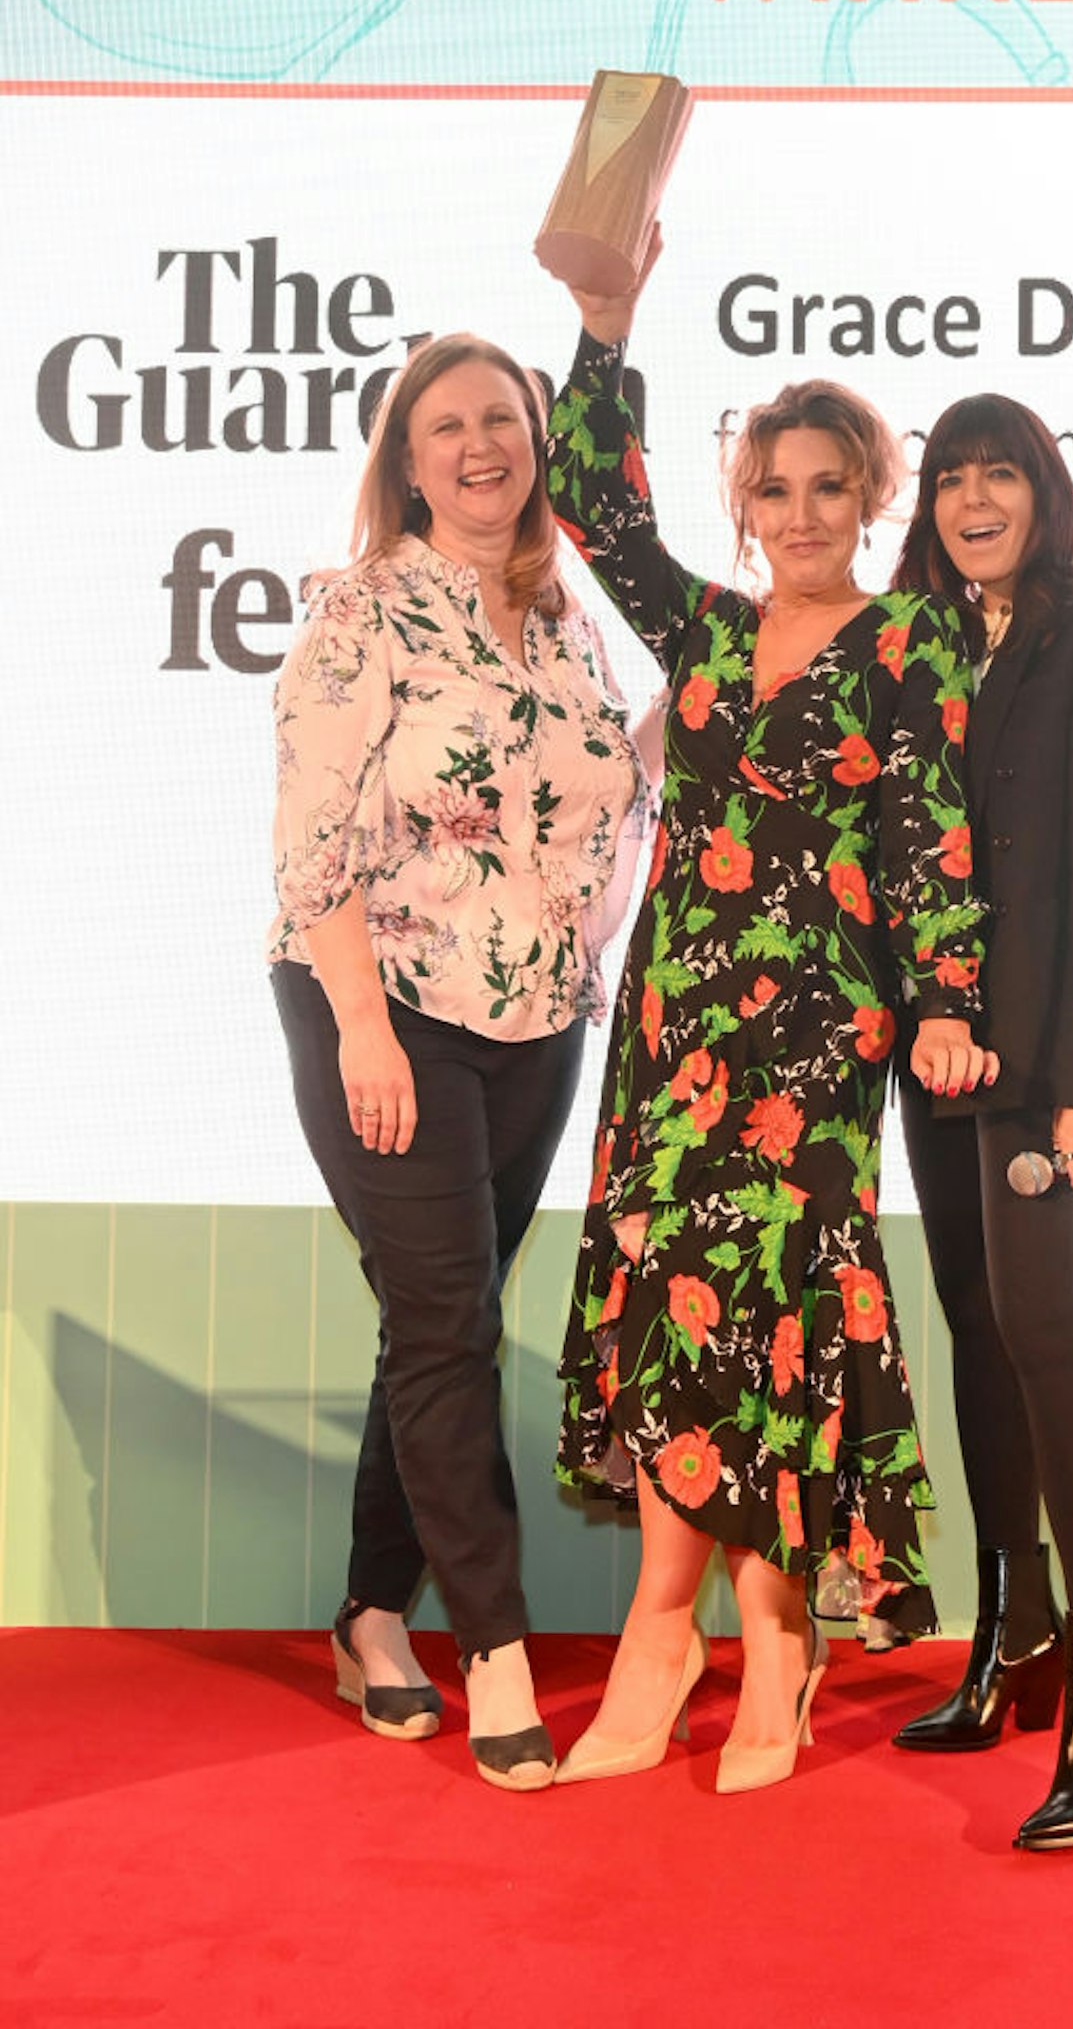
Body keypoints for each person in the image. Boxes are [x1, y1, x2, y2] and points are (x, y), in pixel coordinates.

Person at [542, 239, 994, 1794]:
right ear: (745, 501)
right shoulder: (712, 632)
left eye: (829, 486)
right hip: (677, 1017)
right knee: (674, 1289)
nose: (800, 514)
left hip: (818, 1024)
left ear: (873, 496)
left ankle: (776, 1628)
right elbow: (592, 505)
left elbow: (933, 827)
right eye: (775, 488)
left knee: (781, 1306)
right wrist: (605, 324)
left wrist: (942, 1000)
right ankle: (661, 1631)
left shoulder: (913, 641)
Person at [267, 331, 647, 1792]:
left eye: (504, 418)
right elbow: (311, 847)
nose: (480, 443)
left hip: (537, 1018)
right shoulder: (362, 610)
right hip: (384, 1003)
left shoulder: (565, 617)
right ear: (405, 456)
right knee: (443, 1324)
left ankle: (372, 1614)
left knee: (444, 1318)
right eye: (447, 424)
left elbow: (605, 782)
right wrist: (362, 1026)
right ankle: (491, 1645)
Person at [888, 392, 1073, 1850]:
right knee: (977, 1319)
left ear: (1043, 491)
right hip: (936, 1053)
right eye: (948, 478)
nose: (972, 498)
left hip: (1048, 1058)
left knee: (1045, 1326)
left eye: (1000, 473)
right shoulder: (924, 642)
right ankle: (1017, 1634)